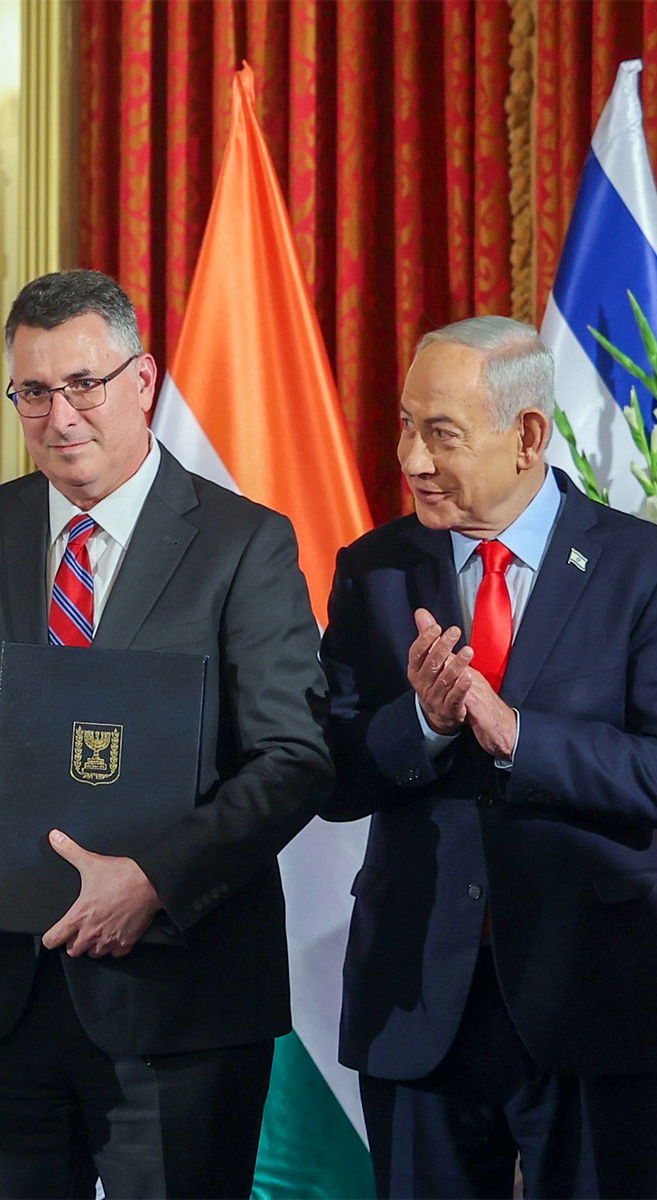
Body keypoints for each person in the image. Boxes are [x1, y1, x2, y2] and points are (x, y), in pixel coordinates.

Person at [0, 269, 331, 1197]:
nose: (60, 414)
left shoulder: (244, 542)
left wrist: (154, 880)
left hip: (180, 1002)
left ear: (144, 378)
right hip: (12, 992)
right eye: (33, 392)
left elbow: (295, 760)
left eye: (85, 383)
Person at [320, 316, 657, 1198]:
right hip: (420, 1000)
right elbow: (333, 774)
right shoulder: (376, 569)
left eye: (441, 434)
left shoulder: (640, 567)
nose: (412, 460)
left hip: (594, 1001)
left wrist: (522, 737)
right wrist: (424, 724)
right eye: (405, 425)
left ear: (529, 436)